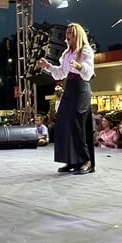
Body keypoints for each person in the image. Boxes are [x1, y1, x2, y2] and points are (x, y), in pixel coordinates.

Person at [37, 23, 95, 174]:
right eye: (67, 32)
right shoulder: (66, 53)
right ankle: (71, 160)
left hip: (81, 88)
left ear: (78, 35)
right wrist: (47, 66)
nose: (67, 35)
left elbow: (89, 72)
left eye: (71, 32)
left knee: (76, 124)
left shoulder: (85, 50)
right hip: (69, 87)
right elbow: (60, 73)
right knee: (62, 123)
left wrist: (79, 67)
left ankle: (86, 161)